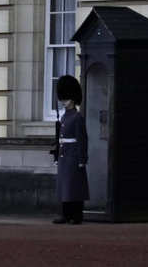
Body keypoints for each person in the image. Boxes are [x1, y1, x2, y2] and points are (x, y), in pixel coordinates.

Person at [53, 74, 88, 224]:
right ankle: (66, 214)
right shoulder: (64, 117)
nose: (63, 102)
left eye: (65, 99)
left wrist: (82, 158)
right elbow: (61, 139)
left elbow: (82, 139)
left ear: (72, 99)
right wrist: (57, 155)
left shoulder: (77, 117)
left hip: (73, 156)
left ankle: (77, 215)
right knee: (64, 187)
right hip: (64, 155)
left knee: (74, 187)